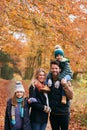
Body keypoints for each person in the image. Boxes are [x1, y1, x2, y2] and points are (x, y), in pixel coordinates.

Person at [47, 60, 73, 130]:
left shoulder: (66, 81)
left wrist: (65, 85)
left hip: (63, 114)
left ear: (60, 69)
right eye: (52, 68)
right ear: (50, 69)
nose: (54, 70)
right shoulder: (48, 81)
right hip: (53, 114)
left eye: (56, 68)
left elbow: (71, 96)